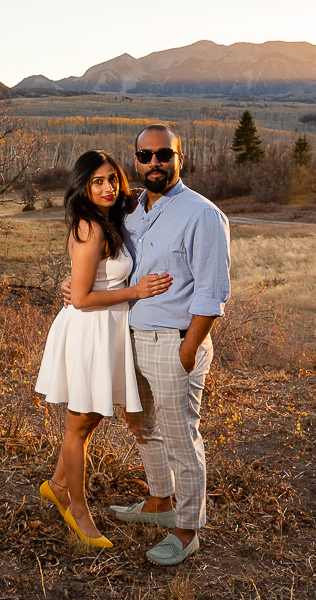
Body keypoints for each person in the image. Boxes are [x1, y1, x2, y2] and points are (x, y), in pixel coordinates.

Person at [35, 150, 172, 549]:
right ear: (83, 186)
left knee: (91, 417)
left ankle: (57, 483)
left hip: (107, 329)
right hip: (89, 331)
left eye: (112, 179)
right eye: (97, 181)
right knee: (79, 424)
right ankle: (76, 509)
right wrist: (137, 291)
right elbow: (80, 298)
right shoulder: (89, 227)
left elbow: (86, 279)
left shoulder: (109, 219)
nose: (108, 187)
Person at [111, 123, 231, 565]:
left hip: (175, 340)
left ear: (181, 157)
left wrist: (188, 349)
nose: (154, 163)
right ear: (136, 160)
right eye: (145, 156)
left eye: (164, 154)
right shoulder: (132, 211)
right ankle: (160, 504)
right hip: (133, 336)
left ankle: (186, 529)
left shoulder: (202, 214)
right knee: (141, 423)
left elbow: (212, 291)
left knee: (181, 436)